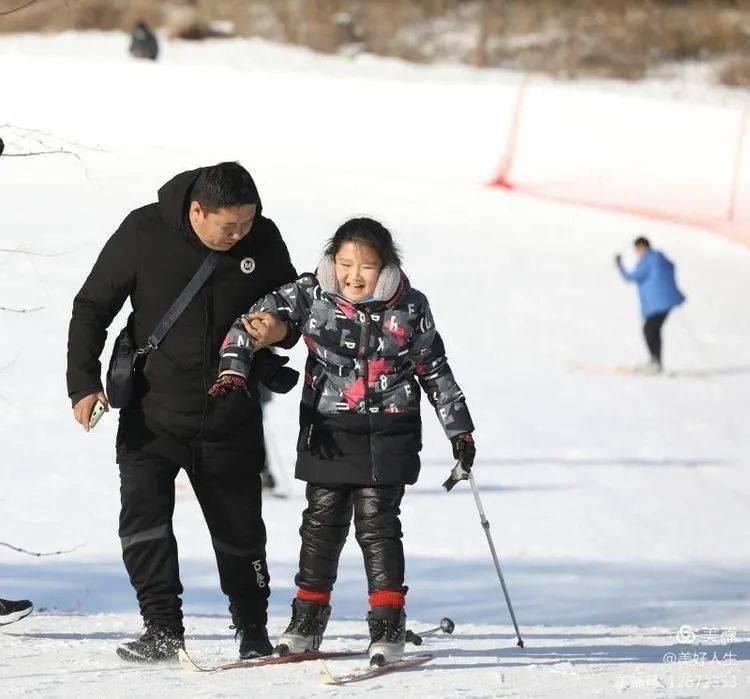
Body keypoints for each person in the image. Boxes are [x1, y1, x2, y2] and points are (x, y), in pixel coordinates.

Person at [210, 217, 476, 664]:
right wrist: (234, 366)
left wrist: (460, 429)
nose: (354, 275)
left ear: (386, 266)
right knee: (321, 524)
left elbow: (435, 369)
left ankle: (388, 624)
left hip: (391, 431)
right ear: (333, 261)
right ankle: (307, 622)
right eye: (345, 263)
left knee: (377, 526)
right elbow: (249, 322)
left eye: (366, 266)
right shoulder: (310, 294)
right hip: (329, 428)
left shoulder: (411, 306)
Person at [66, 162, 297, 663]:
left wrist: (279, 331)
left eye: (247, 224)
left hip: (230, 412)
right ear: (197, 211)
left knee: (240, 529)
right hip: (152, 413)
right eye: (229, 226)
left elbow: (295, 308)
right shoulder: (144, 230)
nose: (240, 235)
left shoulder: (264, 239)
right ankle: (161, 627)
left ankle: (252, 628)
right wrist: (82, 383)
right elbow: (91, 307)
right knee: (143, 522)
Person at [616, 236, 685, 374]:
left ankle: (655, 363)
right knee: (653, 330)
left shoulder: (648, 260)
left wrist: (620, 265)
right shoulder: (660, 258)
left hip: (658, 303)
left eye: (637, 249)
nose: (637, 253)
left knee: (649, 330)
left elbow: (631, 277)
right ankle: (656, 362)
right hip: (665, 301)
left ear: (642, 246)